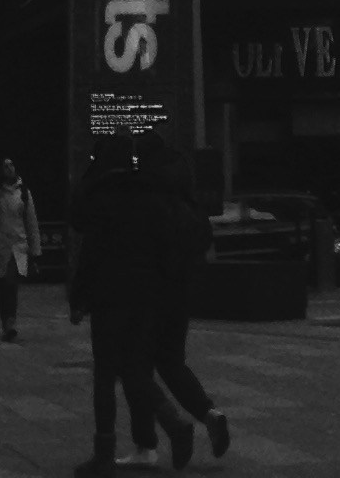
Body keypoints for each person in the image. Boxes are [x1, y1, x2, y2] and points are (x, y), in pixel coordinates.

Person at [68, 146, 178, 473]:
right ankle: (171, 421)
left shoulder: (101, 199)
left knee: (105, 374)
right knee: (136, 367)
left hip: (109, 295)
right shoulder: (149, 195)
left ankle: (104, 451)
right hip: (146, 295)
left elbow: (88, 248)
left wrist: (78, 298)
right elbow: (165, 247)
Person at [139, 146, 229, 462]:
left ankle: (164, 432)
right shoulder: (190, 207)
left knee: (136, 365)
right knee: (172, 362)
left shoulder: (153, 206)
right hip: (181, 295)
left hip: (152, 296)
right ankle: (208, 413)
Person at [0, 156, 41, 342]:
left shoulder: (24, 192)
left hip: (18, 246)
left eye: (11, 165)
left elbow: (31, 222)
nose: (9, 169)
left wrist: (35, 251)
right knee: (2, 286)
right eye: (5, 166)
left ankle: (10, 322)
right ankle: (6, 321)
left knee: (11, 284)